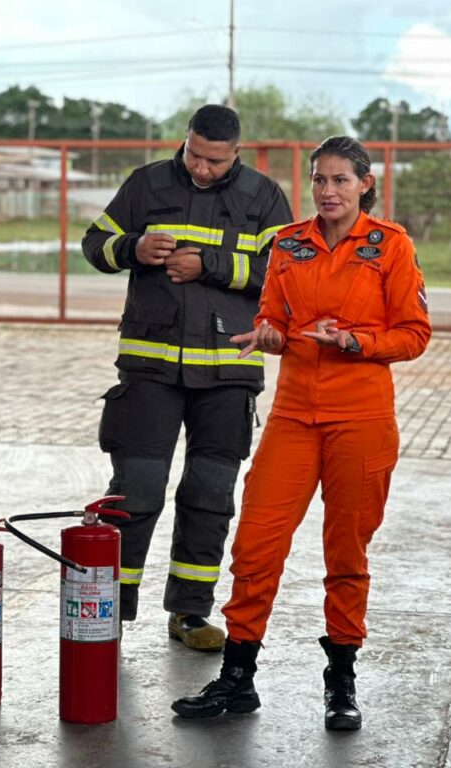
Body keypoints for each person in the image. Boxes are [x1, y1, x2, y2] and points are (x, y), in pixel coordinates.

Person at [172, 135, 431, 727]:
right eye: (319, 180)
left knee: (346, 553)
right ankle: (238, 679)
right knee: (256, 543)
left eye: (341, 180)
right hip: (293, 416)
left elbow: (414, 334)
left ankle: (341, 680)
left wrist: (354, 342)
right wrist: (267, 334)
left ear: (366, 183)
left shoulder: (390, 247)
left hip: (360, 420)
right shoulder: (289, 243)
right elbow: (273, 316)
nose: (328, 191)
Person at [81, 104, 293, 651]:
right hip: (149, 368)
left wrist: (212, 266)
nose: (201, 168)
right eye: (195, 155)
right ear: (186, 141)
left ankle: (190, 613)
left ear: (236, 154)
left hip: (228, 371)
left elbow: (283, 278)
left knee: (209, 494)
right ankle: (111, 613)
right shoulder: (145, 183)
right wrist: (132, 248)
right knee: (137, 490)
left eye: (214, 161)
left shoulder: (266, 197)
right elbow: (94, 244)